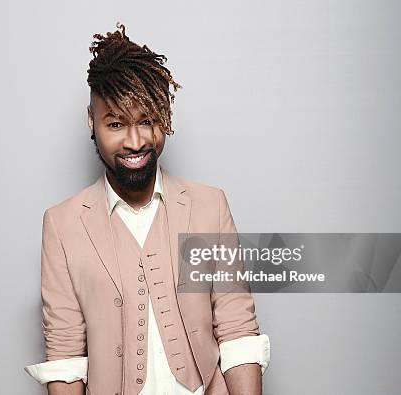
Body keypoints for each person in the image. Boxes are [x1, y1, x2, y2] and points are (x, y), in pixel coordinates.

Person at [24, 22, 270, 395]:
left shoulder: (208, 206)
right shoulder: (62, 225)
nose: (135, 141)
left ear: (165, 118)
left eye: (147, 121)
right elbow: (65, 354)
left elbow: (237, 329)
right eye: (117, 123)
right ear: (92, 122)